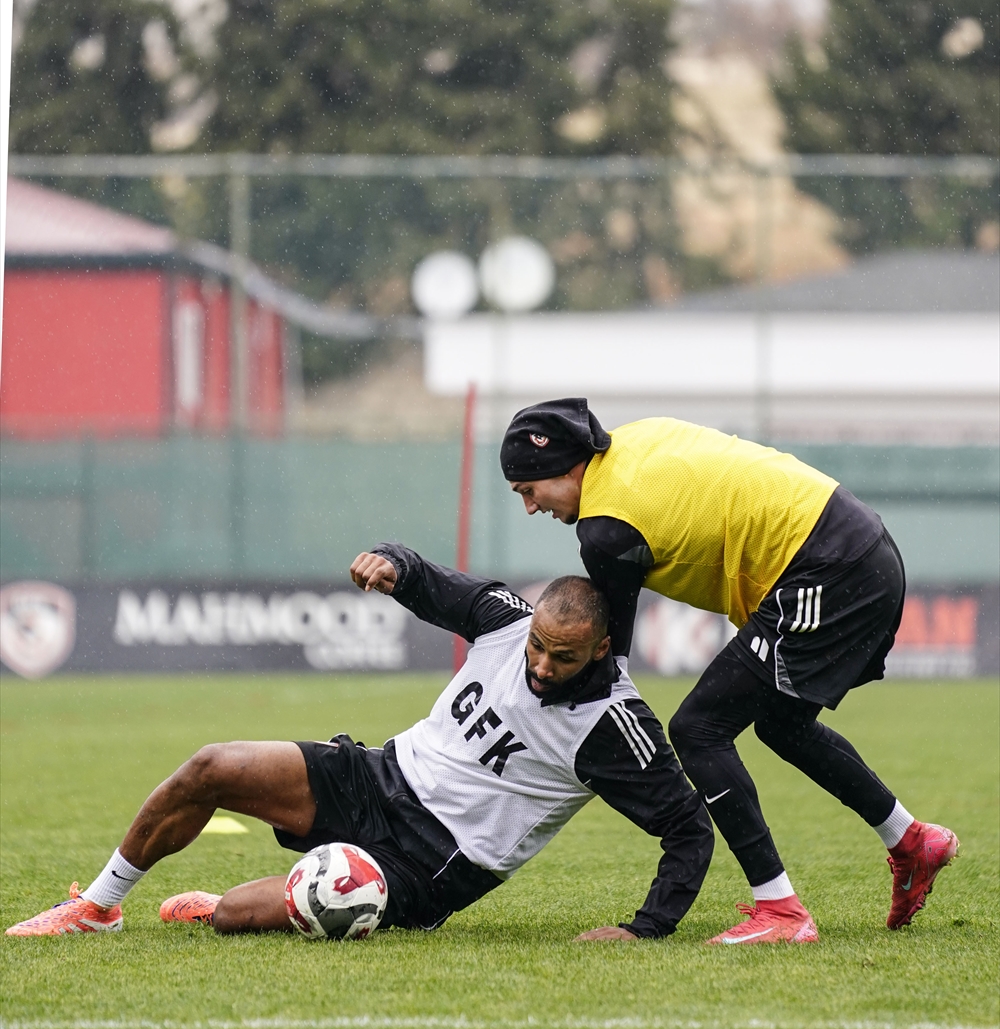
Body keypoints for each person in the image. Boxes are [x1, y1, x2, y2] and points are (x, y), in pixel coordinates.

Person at [7, 544, 713, 942]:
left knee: (232, 919)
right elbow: (431, 583)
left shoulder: (613, 728)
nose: (542, 665)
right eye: (538, 647)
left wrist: (644, 928)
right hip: (376, 776)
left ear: (601, 649)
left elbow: (687, 828)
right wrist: (392, 563)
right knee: (211, 766)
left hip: (426, 864)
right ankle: (97, 907)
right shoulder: (506, 621)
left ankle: (227, 902)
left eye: (563, 657)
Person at [501, 397, 959, 945]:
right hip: (860, 545)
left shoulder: (604, 530)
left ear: (564, 468)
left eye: (529, 490)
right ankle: (911, 840)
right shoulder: (631, 440)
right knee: (782, 724)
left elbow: (608, 664)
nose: (530, 507)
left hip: (824, 567)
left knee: (698, 729)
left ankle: (781, 912)